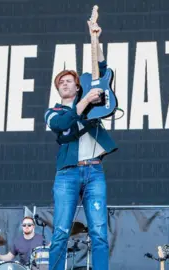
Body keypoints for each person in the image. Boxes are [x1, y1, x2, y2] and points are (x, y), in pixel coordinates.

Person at [44, 19, 117, 270]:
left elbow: (102, 71)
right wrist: (84, 101)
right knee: (61, 233)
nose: (64, 83)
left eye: (68, 81)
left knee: (99, 233)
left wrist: (95, 39)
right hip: (67, 174)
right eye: (60, 82)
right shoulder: (53, 111)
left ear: (77, 85)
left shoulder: (92, 103)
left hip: (94, 171)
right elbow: (62, 124)